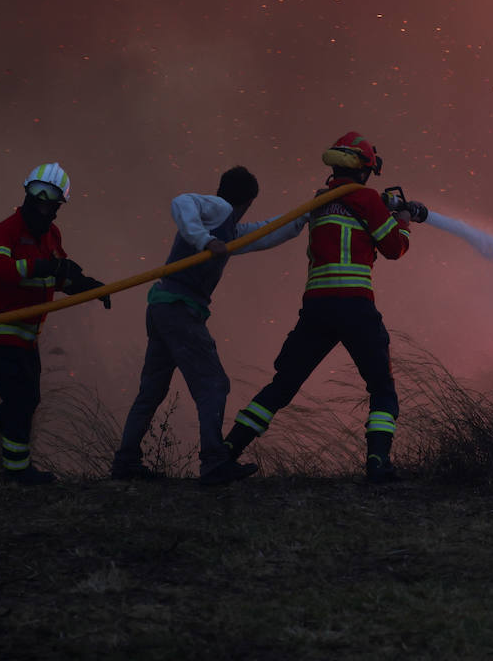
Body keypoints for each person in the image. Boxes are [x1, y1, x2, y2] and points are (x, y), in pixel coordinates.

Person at [222, 132, 426, 483]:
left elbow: (273, 233)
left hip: (316, 310)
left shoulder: (317, 202)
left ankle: (226, 453)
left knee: (283, 384)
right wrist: (404, 221)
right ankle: (378, 463)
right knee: (380, 387)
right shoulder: (367, 199)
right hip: (356, 308)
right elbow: (394, 249)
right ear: (364, 169)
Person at [110, 166, 308, 486]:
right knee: (214, 385)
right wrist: (203, 241)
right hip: (179, 311)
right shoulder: (220, 210)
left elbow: (266, 233)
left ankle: (126, 462)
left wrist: (303, 216)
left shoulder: (226, 229)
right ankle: (214, 462)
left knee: (152, 390)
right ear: (248, 200)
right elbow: (182, 201)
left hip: (164, 307)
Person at [0, 162, 109, 486]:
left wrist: (89, 286)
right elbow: (0, 270)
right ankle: (6, 465)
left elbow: (58, 274)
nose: (40, 203)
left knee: (26, 401)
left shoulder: (52, 234)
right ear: (26, 194)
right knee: (20, 401)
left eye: (48, 199)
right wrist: (44, 266)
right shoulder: (4, 230)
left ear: (57, 207)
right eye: (35, 195)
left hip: (26, 335)